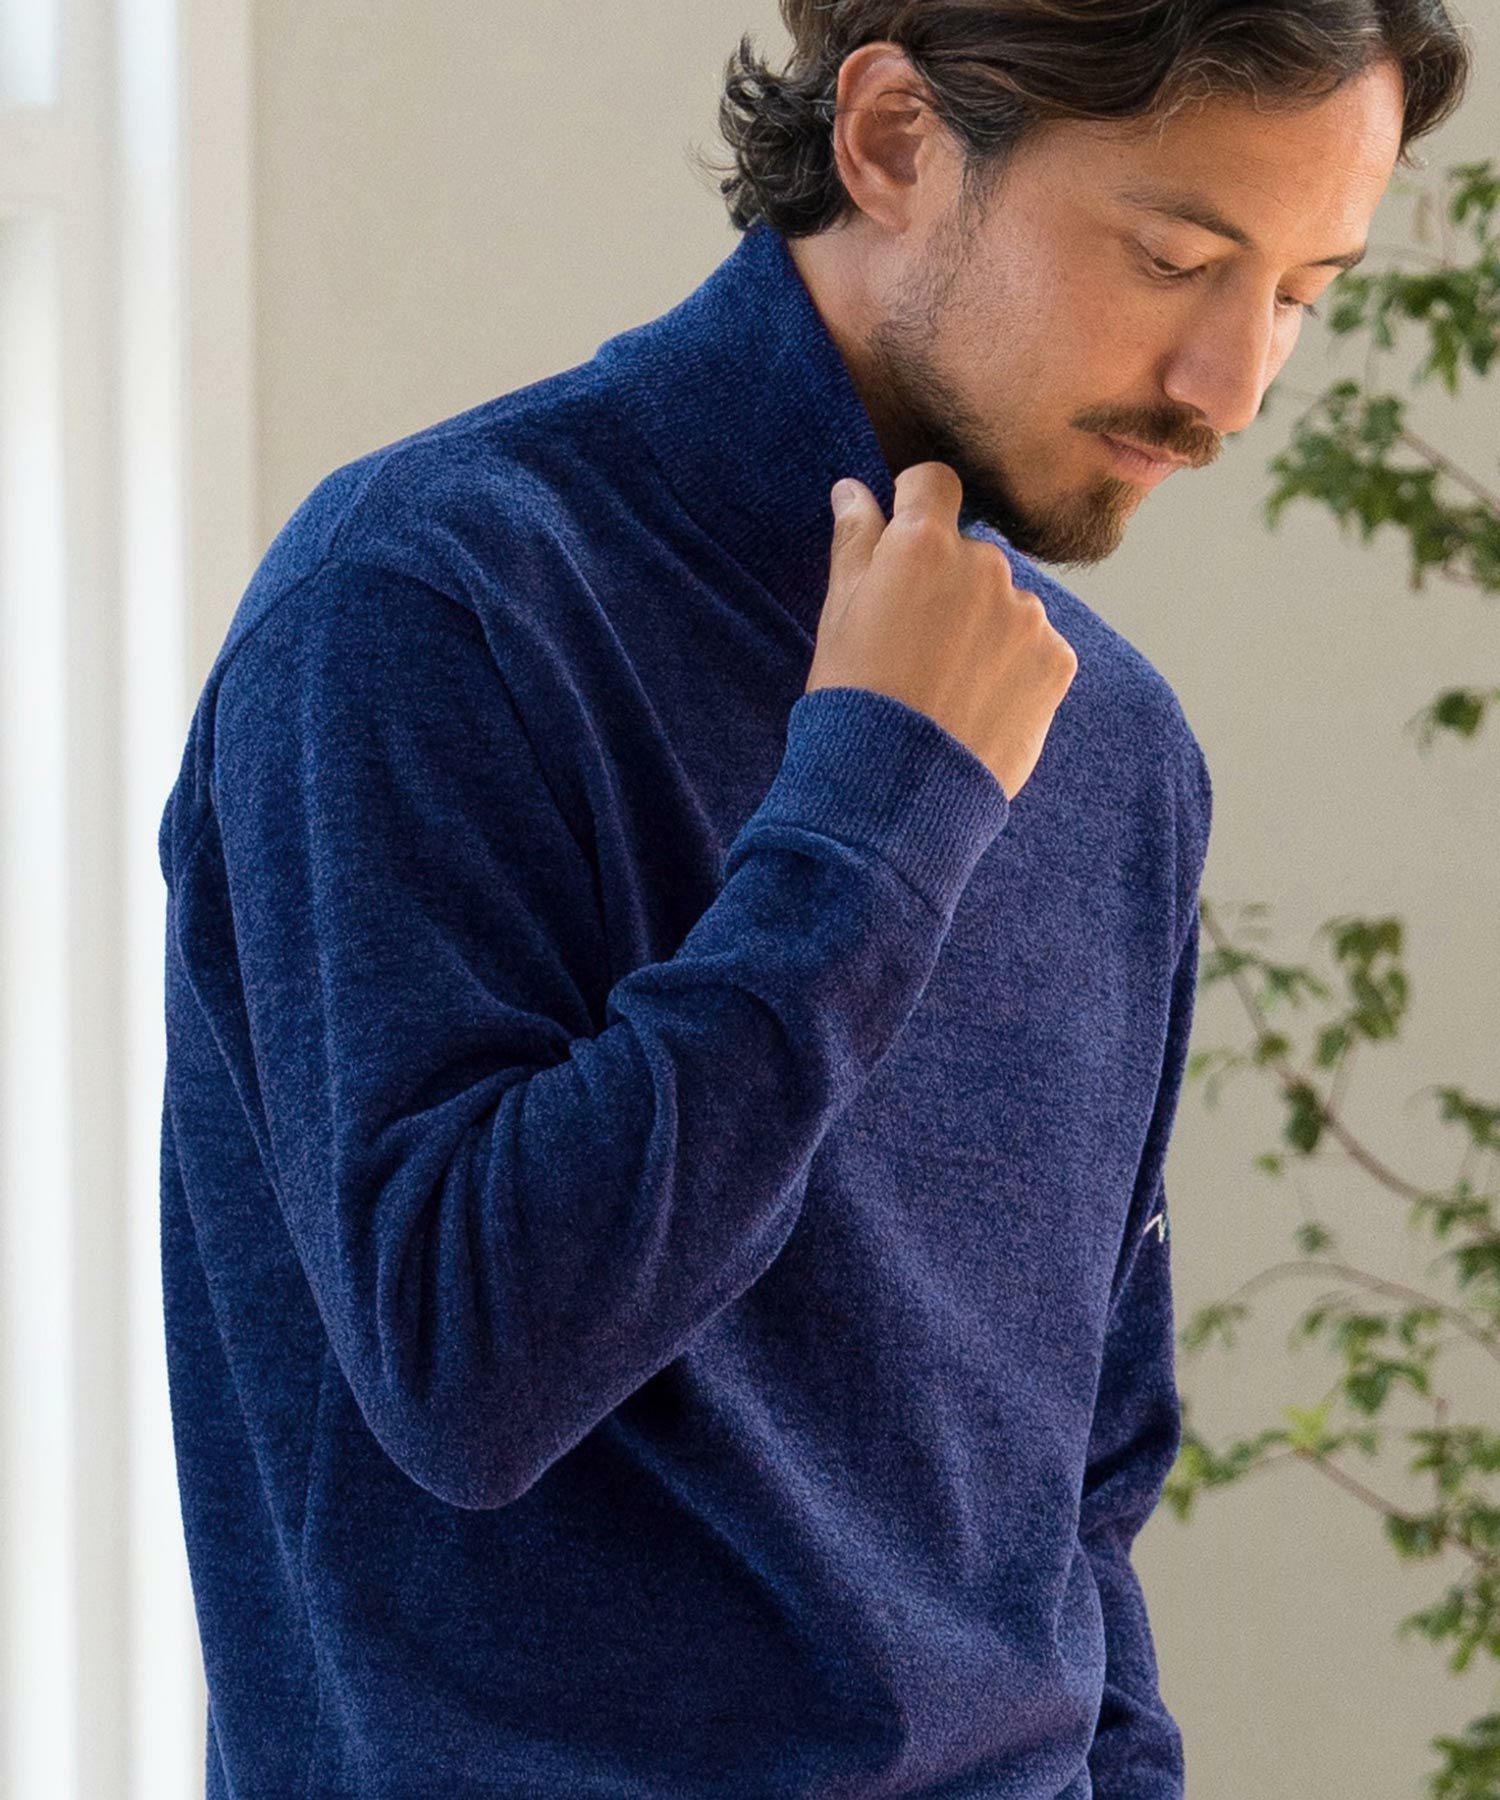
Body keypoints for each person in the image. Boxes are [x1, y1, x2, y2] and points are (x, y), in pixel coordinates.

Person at [156, 3, 1470, 1795]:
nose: (1231, 385)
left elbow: (1079, 1495)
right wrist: (880, 809)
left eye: (1304, 294)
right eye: (1176, 259)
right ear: (895, 140)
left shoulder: (1110, 743)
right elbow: (467, 1370)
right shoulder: (422, 605)